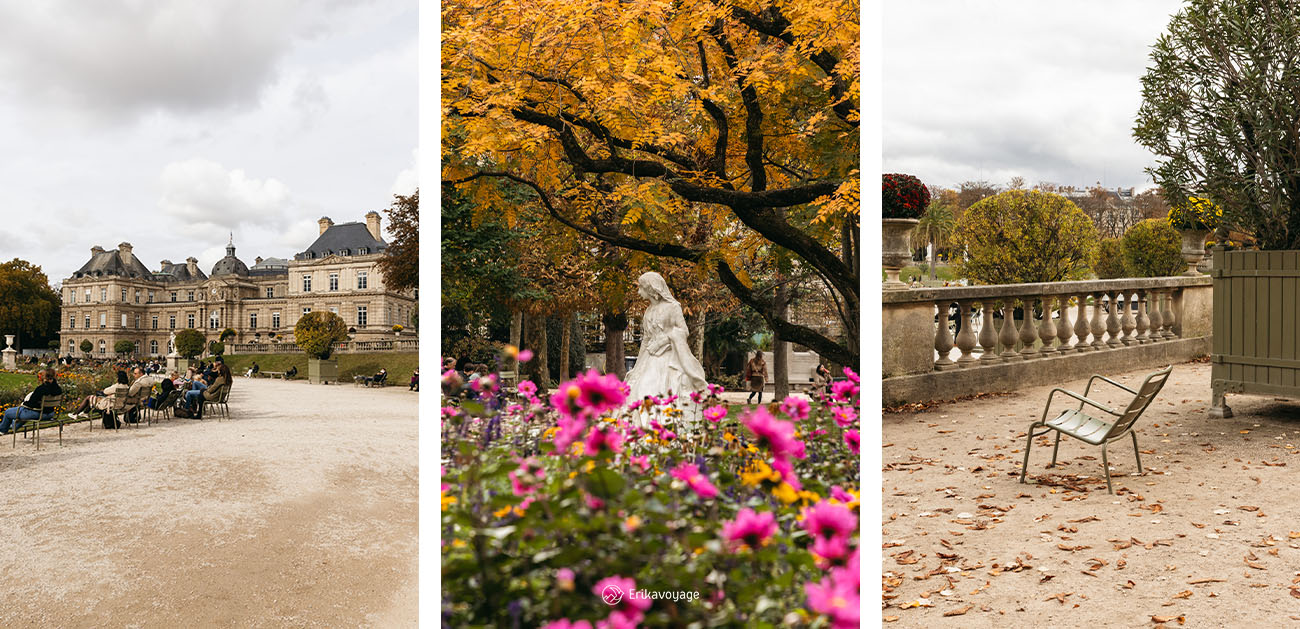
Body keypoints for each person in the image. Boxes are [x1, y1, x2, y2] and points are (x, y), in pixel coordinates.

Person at [625, 271, 708, 421]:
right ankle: (644, 428)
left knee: (655, 390)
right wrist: (637, 366)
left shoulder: (673, 307)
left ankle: (660, 425)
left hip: (668, 359)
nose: (638, 292)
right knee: (640, 388)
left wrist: (663, 340)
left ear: (650, 289)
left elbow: (684, 331)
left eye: (641, 288)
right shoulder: (648, 311)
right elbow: (646, 339)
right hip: (650, 358)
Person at [0, 368, 64, 434]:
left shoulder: (41, 389)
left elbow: (31, 404)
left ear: (44, 377)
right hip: (50, 414)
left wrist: (23, 403)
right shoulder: (58, 389)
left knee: (8, 412)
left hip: (39, 414)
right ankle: (13, 426)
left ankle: (2, 430)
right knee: (23, 413)